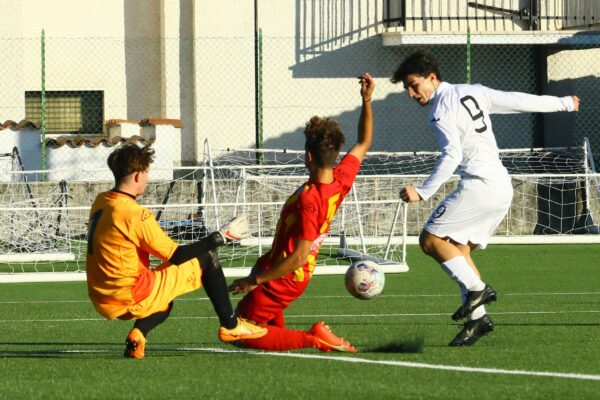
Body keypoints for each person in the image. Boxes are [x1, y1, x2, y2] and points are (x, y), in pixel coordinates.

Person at [391, 50, 580, 346]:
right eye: (407, 89)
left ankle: (478, 290)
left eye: (415, 85)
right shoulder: (472, 91)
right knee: (459, 250)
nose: (412, 94)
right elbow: (517, 101)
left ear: (432, 77)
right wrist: (563, 103)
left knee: (430, 240)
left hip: (479, 185)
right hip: (501, 186)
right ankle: (478, 319)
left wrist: (423, 191)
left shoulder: (441, 110)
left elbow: (451, 154)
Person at [227, 73, 375, 353]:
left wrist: (255, 280)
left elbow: (298, 257)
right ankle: (287, 341)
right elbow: (364, 142)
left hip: (285, 277)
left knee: (240, 330)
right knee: (270, 334)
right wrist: (366, 100)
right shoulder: (340, 179)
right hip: (276, 267)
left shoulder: (310, 201)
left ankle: (314, 337)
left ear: (308, 156)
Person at [86, 143, 267, 359]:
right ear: (137, 176)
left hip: (100, 296)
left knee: (164, 301)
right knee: (207, 256)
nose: (147, 178)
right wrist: (220, 236)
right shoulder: (135, 214)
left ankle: (138, 335)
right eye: (146, 173)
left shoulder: (101, 201)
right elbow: (177, 255)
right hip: (130, 295)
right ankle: (231, 324)